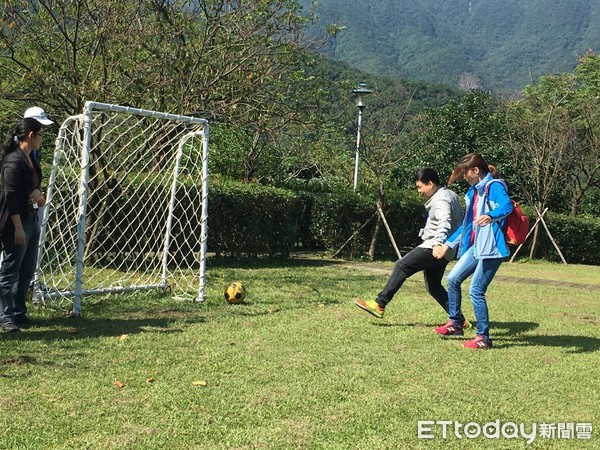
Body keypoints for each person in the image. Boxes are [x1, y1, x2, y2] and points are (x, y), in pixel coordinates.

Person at [354, 167, 465, 322]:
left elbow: (444, 223)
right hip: (446, 248)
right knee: (433, 286)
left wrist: (439, 243)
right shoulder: (450, 194)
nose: (419, 191)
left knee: (401, 265)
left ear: (430, 183)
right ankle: (459, 319)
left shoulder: (441, 200)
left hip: (435, 246)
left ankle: (379, 304)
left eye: (420, 187)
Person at [433, 153, 513, 349]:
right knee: (452, 280)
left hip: (492, 248)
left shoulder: (493, 187)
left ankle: (483, 338)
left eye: (465, 174)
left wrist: (490, 215)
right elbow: (467, 226)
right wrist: (448, 243)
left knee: (476, 291)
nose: (464, 178)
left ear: (476, 171)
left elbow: (507, 206)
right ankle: (456, 323)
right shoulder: (473, 193)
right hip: (477, 246)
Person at [0, 118, 47, 332]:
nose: (42, 138)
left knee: (27, 269)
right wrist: (18, 227)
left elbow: (33, 188)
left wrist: (38, 194)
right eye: (41, 134)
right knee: (11, 270)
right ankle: (5, 317)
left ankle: (19, 312)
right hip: (15, 222)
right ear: (31, 135)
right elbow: (10, 196)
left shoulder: (31, 160)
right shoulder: (13, 161)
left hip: (30, 218)